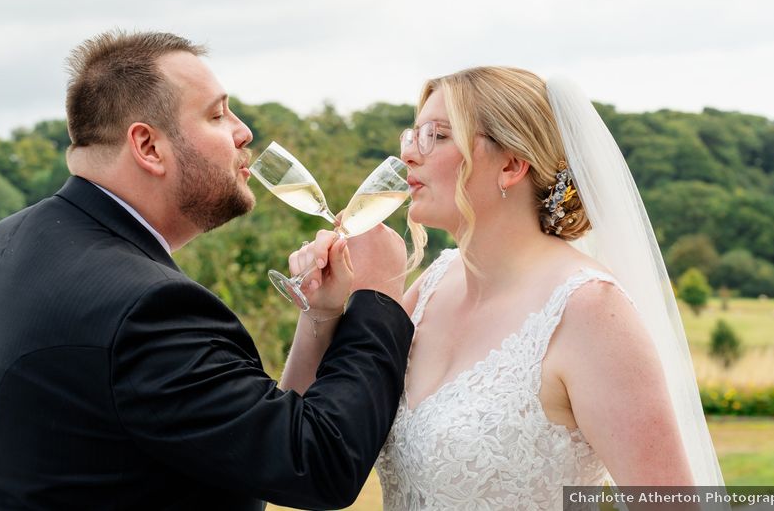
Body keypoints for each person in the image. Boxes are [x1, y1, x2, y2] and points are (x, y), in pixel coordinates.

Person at [0, 30, 414, 511]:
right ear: (148, 147)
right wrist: (379, 297)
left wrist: (320, 317)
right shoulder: (147, 308)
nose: (244, 132)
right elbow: (320, 463)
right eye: (218, 114)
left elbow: (260, 440)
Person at [285, 67, 725, 510]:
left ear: (512, 165)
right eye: (412, 135)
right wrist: (320, 313)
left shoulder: (589, 310)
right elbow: (299, 445)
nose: (408, 158)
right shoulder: (430, 288)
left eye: (437, 136)